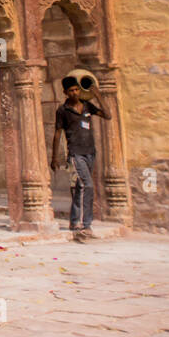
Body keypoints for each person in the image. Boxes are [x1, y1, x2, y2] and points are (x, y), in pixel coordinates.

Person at [49, 76, 110, 242]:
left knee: (79, 188)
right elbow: (57, 133)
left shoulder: (87, 106)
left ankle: (75, 221)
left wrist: (96, 94)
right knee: (87, 185)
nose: (75, 93)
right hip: (75, 154)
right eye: (71, 91)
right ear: (65, 93)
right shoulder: (63, 111)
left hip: (90, 152)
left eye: (76, 89)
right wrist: (54, 157)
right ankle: (85, 225)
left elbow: (108, 115)